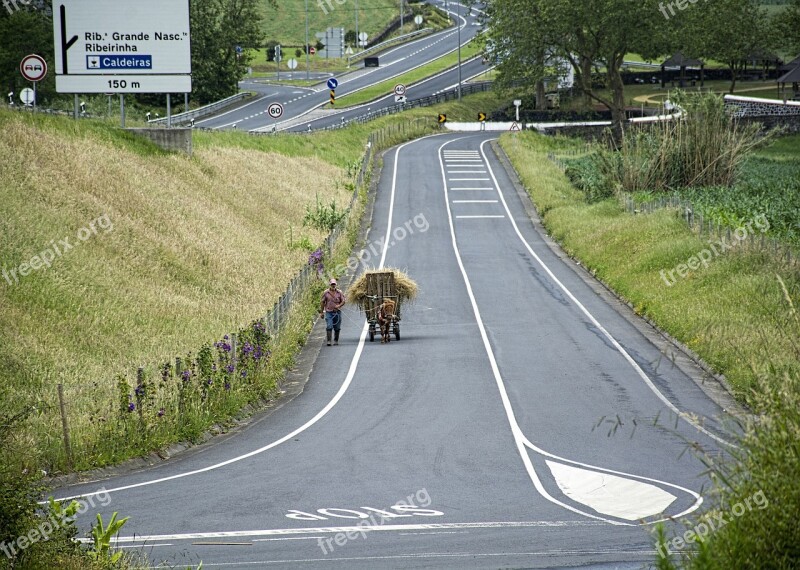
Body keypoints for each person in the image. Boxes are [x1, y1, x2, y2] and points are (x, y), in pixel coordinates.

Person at [320, 279, 345, 346]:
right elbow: (322, 302)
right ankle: (328, 341)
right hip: (329, 312)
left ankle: (336, 340)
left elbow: (343, 301)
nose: (333, 285)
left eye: (334, 284)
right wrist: (322, 312)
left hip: (337, 312)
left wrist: (339, 305)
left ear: (336, 284)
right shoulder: (326, 293)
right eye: (332, 284)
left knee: (337, 327)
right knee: (329, 326)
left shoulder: (339, 292)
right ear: (330, 285)